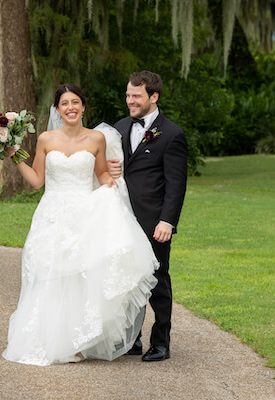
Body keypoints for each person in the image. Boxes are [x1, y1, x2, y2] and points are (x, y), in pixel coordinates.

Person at [2, 83, 159, 366]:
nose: (71, 107)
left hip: (85, 213)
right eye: (65, 103)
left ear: (83, 106)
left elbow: (100, 174)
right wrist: (14, 155)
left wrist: (114, 186)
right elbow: (38, 180)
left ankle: (75, 342)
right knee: (49, 273)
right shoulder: (46, 139)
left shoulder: (97, 138)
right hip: (52, 213)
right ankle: (47, 337)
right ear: (58, 109)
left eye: (75, 102)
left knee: (78, 276)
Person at [108, 70, 188, 362]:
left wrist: (167, 221)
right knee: (125, 279)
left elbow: (176, 184)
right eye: (128, 95)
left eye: (136, 96)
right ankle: (132, 339)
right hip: (121, 219)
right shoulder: (118, 127)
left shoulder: (172, 134)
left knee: (157, 280)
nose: (130, 100)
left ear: (153, 97)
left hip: (154, 221)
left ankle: (161, 341)